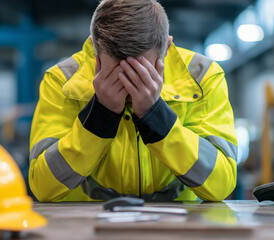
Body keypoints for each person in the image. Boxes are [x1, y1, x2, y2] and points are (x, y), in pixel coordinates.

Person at [29, 0, 237, 202]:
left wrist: (156, 116)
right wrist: (101, 114)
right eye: (117, 74)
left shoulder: (202, 77)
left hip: (177, 228)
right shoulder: (61, 81)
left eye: (142, 72)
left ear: (166, 48)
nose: (130, 87)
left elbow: (220, 184)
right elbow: (43, 187)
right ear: (94, 51)